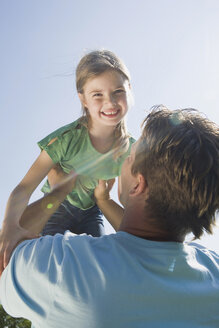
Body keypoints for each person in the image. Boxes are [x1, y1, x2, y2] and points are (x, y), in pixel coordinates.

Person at [0, 105, 218, 328]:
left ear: (138, 184)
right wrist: (104, 201)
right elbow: (148, 241)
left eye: (130, 157)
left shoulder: (62, 269)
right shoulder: (213, 271)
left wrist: (59, 191)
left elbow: (4, 255)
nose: (123, 160)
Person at [0, 49, 135, 275]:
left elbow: (133, 208)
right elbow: (25, 187)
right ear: (82, 97)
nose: (110, 103)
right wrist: (9, 226)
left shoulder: (131, 150)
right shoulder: (66, 139)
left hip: (92, 211)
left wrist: (105, 200)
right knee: (47, 263)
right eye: (97, 94)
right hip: (58, 205)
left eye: (118, 91)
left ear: (129, 90)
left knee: (97, 267)